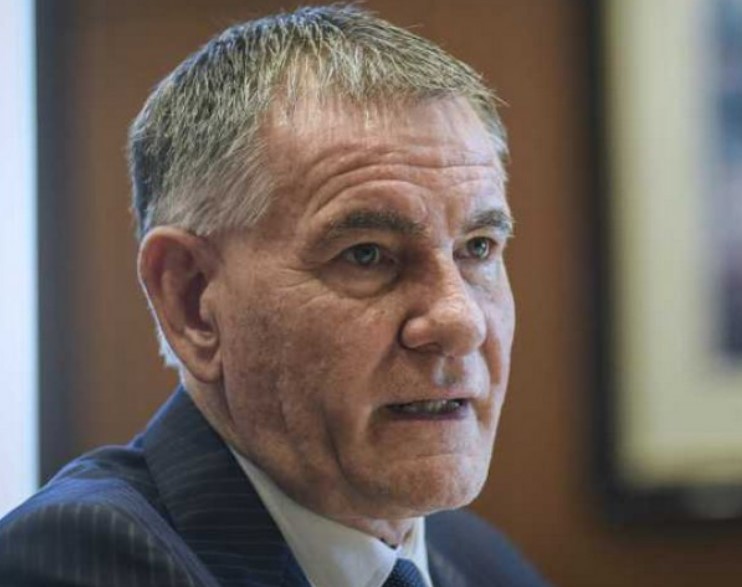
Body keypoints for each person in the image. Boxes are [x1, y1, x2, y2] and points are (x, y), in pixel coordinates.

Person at [0, 5, 548, 586]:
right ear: (192, 301)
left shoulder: (480, 562)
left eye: (478, 248)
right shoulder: (79, 557)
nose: (461, 320)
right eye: (366, 254)